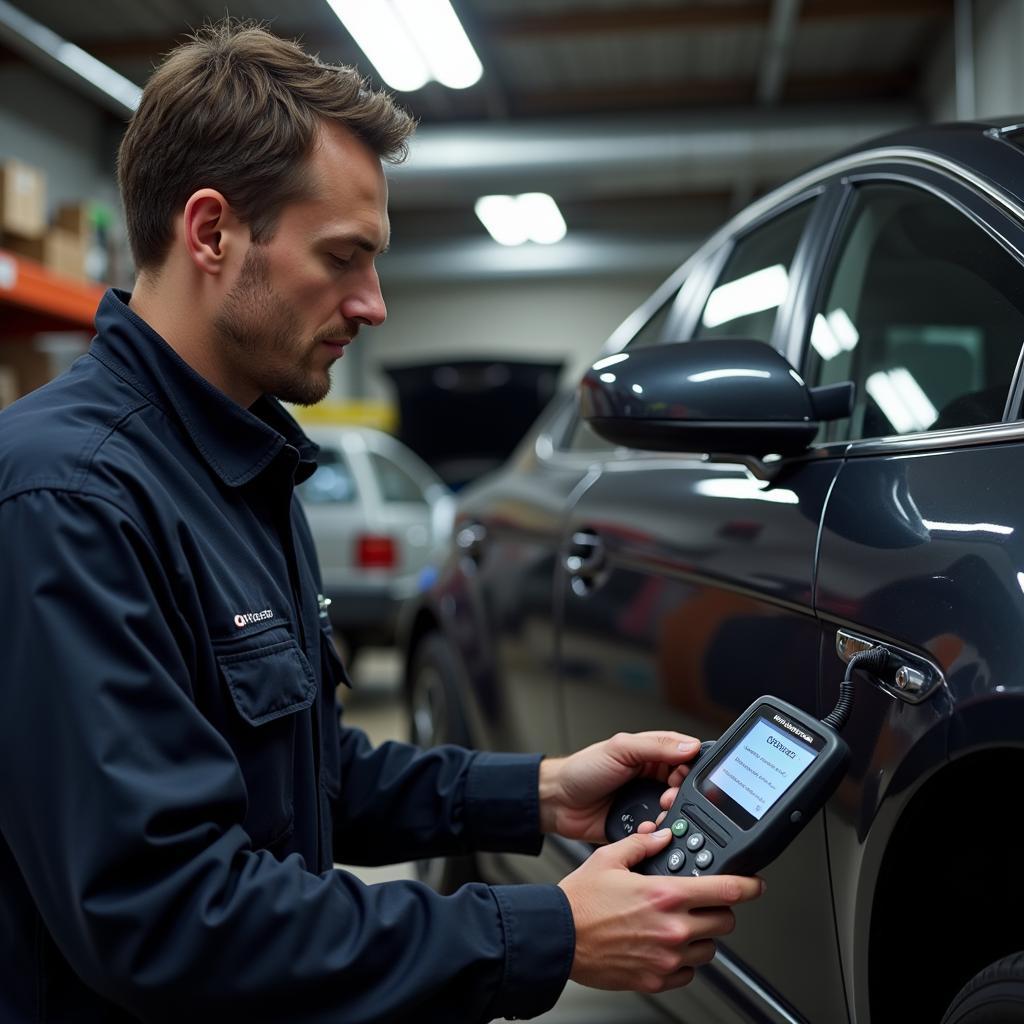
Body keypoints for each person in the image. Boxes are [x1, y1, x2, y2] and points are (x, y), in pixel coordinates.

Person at [0, 21, 763, 1023]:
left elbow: (298, 774)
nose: (374, 305)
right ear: (212, 232)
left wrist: (534, 792)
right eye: (344, 257)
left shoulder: (237, 464)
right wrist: (548, 933)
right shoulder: (69, 497)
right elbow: (167, 913)